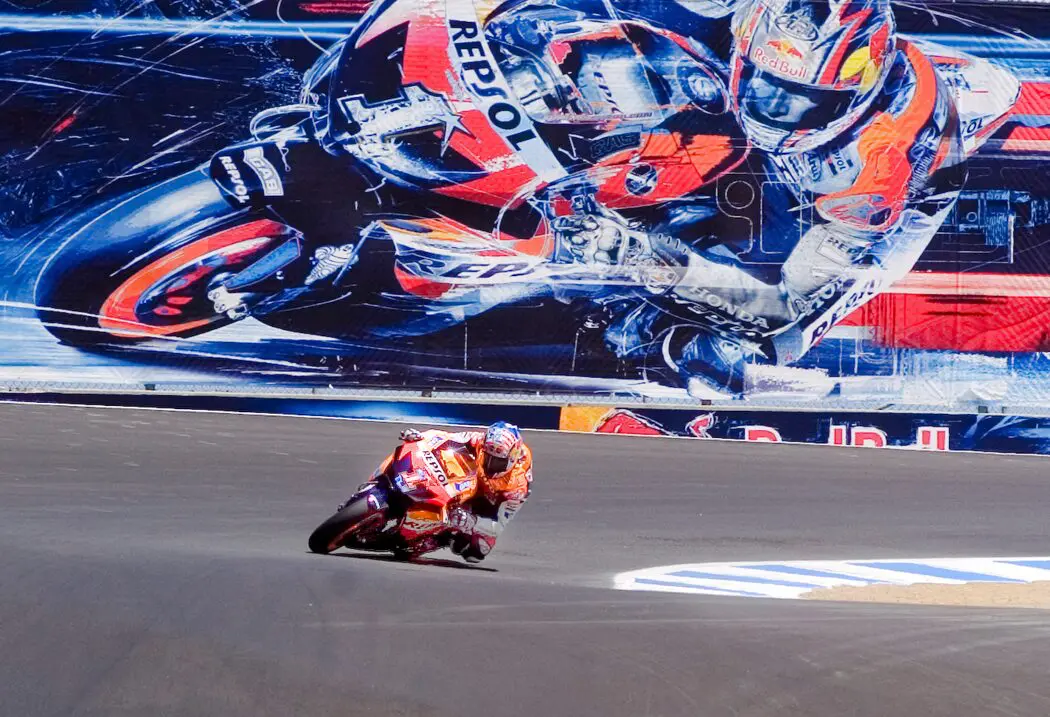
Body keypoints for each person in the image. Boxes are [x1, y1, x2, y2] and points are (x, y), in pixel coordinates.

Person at [395, 422, 532, 562]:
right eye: (488, 457)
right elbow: (446, 437)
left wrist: (472, 521)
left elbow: (499, 526)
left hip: (489, 501)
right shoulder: (480, 440)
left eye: (498, 462)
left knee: (477, 551)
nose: (490, 465)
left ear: (511, 459)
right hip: (471, 478)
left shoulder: (517, 488)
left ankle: (441, 538)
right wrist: (420, 436)